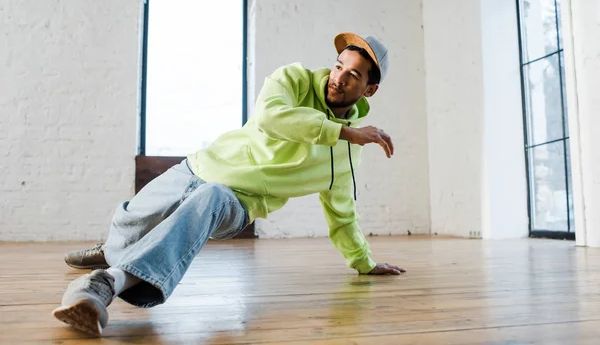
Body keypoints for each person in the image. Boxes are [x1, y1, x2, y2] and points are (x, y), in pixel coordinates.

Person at [52, 32, 406, 336]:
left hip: (237, 200)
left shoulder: (345, 156)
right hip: (200, 167)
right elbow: (270, 117)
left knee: (212, 196)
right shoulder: (295, 79)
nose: (339, 77)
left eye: (353, 75)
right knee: (129, 220)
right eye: (339, 65)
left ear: (369, 90)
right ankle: (118, 246)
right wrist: (343, 131)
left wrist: (364, 261)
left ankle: (103, 284)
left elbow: (342, 214)